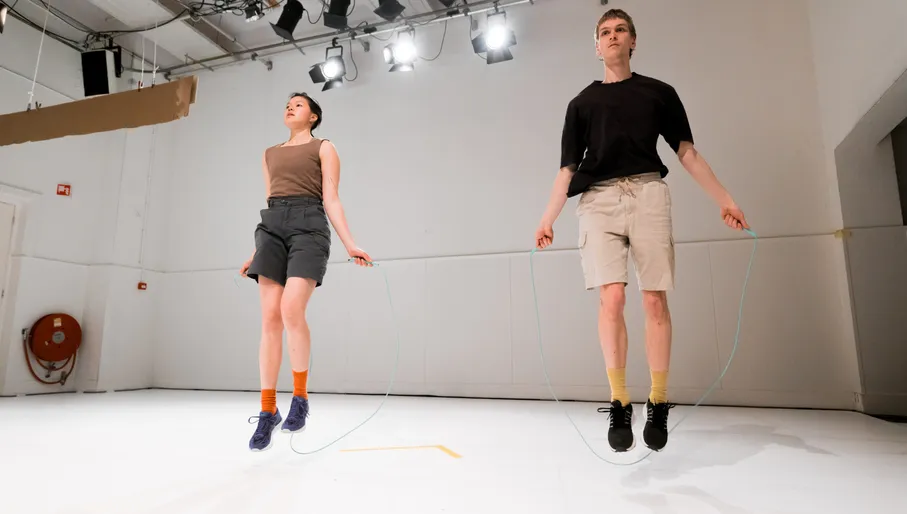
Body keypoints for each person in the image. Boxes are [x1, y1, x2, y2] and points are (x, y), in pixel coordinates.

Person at [534, 9, 749, 453]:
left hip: (648, 193)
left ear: (633, 41)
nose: (612, 37)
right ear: (596, 47)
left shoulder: (659, 93)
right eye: (605, 32)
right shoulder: (581, 104)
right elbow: (567, 169)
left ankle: (659, 399)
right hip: (598, 201)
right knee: (611, 297)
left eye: (620, 30)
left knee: (654, 298)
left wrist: (725, 199)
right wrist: (547, 218)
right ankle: (619, 401)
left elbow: (687, 152)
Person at [240, 92, 372, 452]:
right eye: (288, 104)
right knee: (270, 318)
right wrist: (255, 252)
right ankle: (268, 411)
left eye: (298, 104)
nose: (290, 107)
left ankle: (300, 397)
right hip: (271, 229)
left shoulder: (324, 147)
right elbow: (270, 200)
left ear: (313, 116)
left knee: (290, 309)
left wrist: (350, 244)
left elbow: (331, 198)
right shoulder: (269, 153)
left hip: (309, 226)